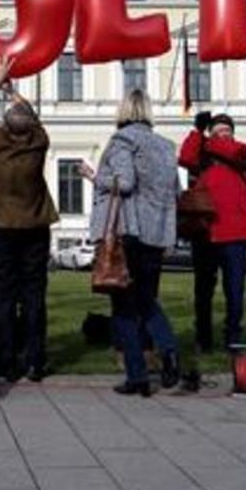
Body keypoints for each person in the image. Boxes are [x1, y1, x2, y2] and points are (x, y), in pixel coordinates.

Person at [81, 89, 181, 396]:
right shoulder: (166, 146)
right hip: (156, 234)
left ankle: (137, 376)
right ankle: (169, 352)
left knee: (123, 308)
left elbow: (124, 182)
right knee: (147, 301)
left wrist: (93, 176)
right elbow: (175, 191)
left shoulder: (122, 140)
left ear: (123, 110)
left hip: (127, 233)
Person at [0, 56, 59, 382]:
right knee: (35, 296)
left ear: (5, 126)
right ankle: (35, 360)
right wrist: (14, 94)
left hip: (0, 229)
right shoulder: (39, 143)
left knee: (3, 297)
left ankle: (6, 362)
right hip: (35, 228)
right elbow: (33, 119)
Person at [179, 111, 246, 352]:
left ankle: (233, 336)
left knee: (234, 289)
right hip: (205, 230)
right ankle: (203, 338)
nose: (222, 136)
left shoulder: (240, 150)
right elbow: (185, 158)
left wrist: (207, 139)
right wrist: (197, 133)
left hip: (234, 232)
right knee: (203, 289)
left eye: (226, 131)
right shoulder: (202, 154)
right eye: (216, 132)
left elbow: (234, 151)